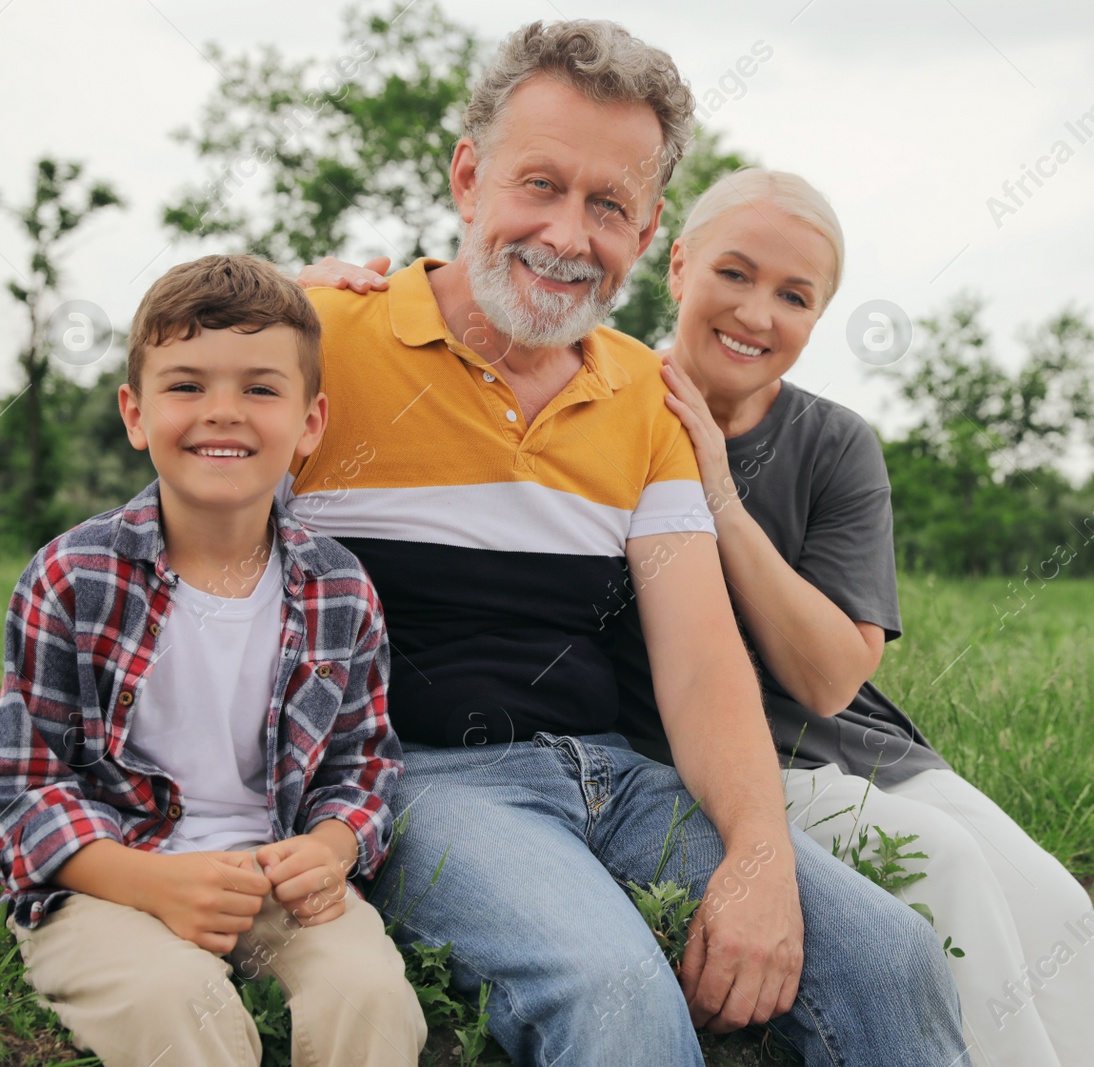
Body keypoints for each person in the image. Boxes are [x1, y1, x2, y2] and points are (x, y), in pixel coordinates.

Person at [318, 166, 1094, 1065]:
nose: (755, 312)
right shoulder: (626, 391)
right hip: (703, 758)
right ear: (679, 265)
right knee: (948, 870)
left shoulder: (822, 438)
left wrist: (720, 500)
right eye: (734, 275)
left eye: (794, 295)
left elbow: (828, 679)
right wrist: (310, 301)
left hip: (843, 740)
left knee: (1051, 910)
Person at [288, 18, 967, 1067]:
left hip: (614, 773)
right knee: (615, 993)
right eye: (539, 185)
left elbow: (701, 663)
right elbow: (166, 507)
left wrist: (756, 856)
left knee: (892, 957)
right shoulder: (324, 336)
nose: (568, 234)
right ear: (469, 177)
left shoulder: (639, 394)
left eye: (608, 204)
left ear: (647, 231)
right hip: (425, 780)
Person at [0, 254, 425, 1067]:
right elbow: (21, 783)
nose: (223, 412)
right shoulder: (74, 577)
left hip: (273, 873)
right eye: (185, 386)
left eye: (260, 388)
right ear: (135, 412)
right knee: (176, 1004)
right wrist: (149, 883)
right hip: (107, 876)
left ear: (310, 422)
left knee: (371, 995)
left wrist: (330, 848)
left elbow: (364, 764)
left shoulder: (340, 589)